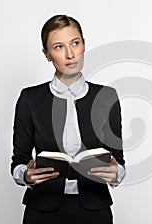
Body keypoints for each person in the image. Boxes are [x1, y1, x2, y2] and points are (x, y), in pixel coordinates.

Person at [11, 15, 126, 224]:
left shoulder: (106, 97)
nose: (70, 54)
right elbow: (18, 162)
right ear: (47, 55)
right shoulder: (30, 99)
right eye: (58, 47)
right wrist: (25, 176)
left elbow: (119, 161)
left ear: (84, 44)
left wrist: (116, 173)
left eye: (75, 43)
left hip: (94, 210)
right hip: (42, 210)